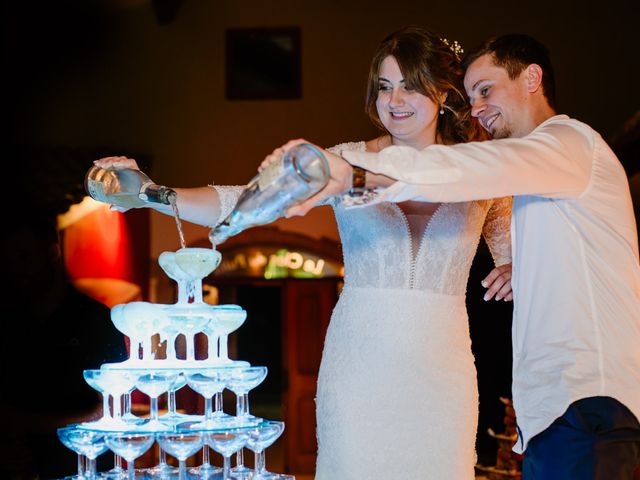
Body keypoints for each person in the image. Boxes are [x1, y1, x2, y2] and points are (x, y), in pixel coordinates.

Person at [95, 27, 513, 479]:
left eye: (410, 86)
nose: (395, 101)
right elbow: (243, 200)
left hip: (443, 368)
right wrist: (154, 194)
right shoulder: (344, 161)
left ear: (443, 93)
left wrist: (516, 264)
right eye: (385, 87)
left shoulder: (478, 170)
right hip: (359, 365)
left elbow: (517, 245)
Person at [279, 34, 640, 479]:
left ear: (532, 77)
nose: (478, 109)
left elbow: (465, 169)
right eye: (471, 97)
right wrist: (519, 266)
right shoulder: (538, 168)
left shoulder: (565, 142)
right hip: (554, 408)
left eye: (486, 90)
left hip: (586, 403)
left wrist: (354, 175)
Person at [0, 211, 128, 479]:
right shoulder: (7, 323)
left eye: (24, 256)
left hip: (85, 469)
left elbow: (115, 409)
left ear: (53, 253)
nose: (15, 269)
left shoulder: (96, 319)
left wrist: (28, 423)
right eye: (8, 260)